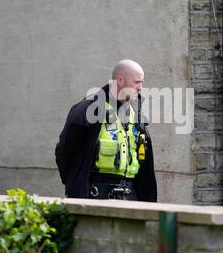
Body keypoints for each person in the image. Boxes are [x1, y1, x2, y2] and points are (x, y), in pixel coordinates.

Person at [55, 60, 157, 202]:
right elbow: (64, 151)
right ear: (120, 80)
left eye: (141, 82)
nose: (140, 87)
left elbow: (144, 159)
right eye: (136, 82)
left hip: (132, 195)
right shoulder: (88, 110)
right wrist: (75, 185)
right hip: (97, 193)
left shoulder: (136, 113)